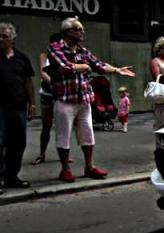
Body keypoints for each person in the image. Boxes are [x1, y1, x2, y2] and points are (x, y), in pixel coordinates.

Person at [48, 17, 135, 183]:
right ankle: (65, 169)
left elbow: (99, 64)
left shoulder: (82, 50)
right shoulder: (56, 47)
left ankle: (89, 166)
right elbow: (65, 67)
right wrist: (86, 67)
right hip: (65, 99)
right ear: (68, 32)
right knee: (63, 135)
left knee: (88, 134)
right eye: (79, 29)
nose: (83, 32)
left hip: (84, 99)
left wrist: (116, 70)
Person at [0, 22, 35, 191]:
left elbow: (28, 82)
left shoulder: (22, 58)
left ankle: (11, 177)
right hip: (1, 108)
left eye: (4, 36)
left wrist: (32, 104)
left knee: (18, 143)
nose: (0, 39)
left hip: (18, 108)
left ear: (12, 39)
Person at [32, 33, 63, 165]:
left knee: (62, 126)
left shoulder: (64, 56)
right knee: (46, 126)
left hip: (60, 94)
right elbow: (43, 73)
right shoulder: (44, 56)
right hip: (47, 93)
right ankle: (42, 153)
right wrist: (54, 82)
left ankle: (64, 155)